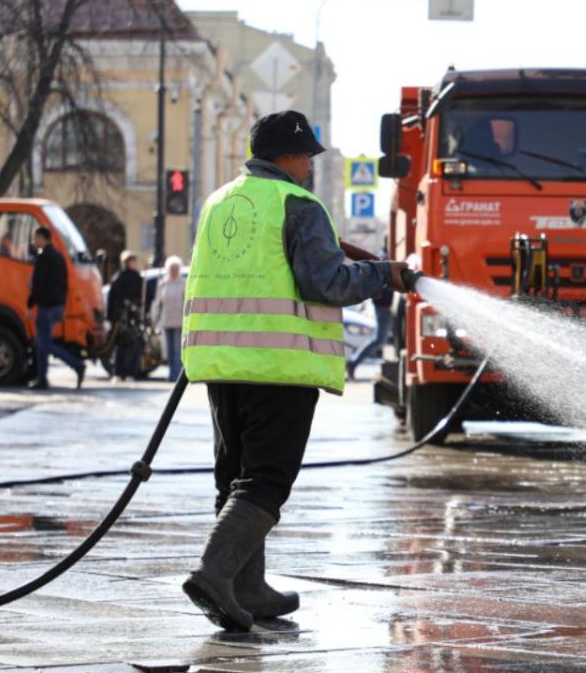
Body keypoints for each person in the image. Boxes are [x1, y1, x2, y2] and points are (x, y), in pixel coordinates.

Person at [180, 110, 415, 632]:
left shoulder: (220, 201)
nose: (310, 166)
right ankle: (215, 573)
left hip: (222, 362)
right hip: (278, 364)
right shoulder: (298, 204)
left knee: (235, 475)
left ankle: (248, 588)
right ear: (290, 156)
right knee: (266, 480)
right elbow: (325, 284)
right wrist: (382, 276)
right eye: (307, 156)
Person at [27, 226, 85, 389]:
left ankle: (76, 365)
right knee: (42, 343)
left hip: (46, 305)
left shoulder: (44, 257)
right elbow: (65, 283)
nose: (33, 242)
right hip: (57, 305)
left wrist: (30, 304)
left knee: (44, 344)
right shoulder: (59, 257)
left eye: (35, 238)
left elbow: (39, 284)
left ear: (41, 238)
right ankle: (42, 378)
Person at [346, 249, 395, 381]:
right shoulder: (383, 258)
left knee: (383, 339)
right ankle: (353, 362)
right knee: (380, 339)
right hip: (384, 306)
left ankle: (353, 362)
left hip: (385, 305)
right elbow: (378, 282)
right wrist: (387, 303)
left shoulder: (384, 256)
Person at [106, 251, 146, 381]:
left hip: (126, 318)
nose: (135, 264)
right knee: (126, 346)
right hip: (126, 318)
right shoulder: (129, 278)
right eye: (133, 262)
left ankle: (123, 372)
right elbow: (113, 298)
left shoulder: (120, 277)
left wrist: (110, 317)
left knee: (126, 346)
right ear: (127, 263)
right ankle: (124, 372)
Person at [152, 255, 185, 382]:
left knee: (178, 350)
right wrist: (155, 318)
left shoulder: (184, 283)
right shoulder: (163, 284)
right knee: (169, 351)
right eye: (171, 268)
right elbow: (157, 303)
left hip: (179, 321)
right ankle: (172, 375)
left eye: (176, 268)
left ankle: (178, 377)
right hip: (166, 321)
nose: (174, 271)